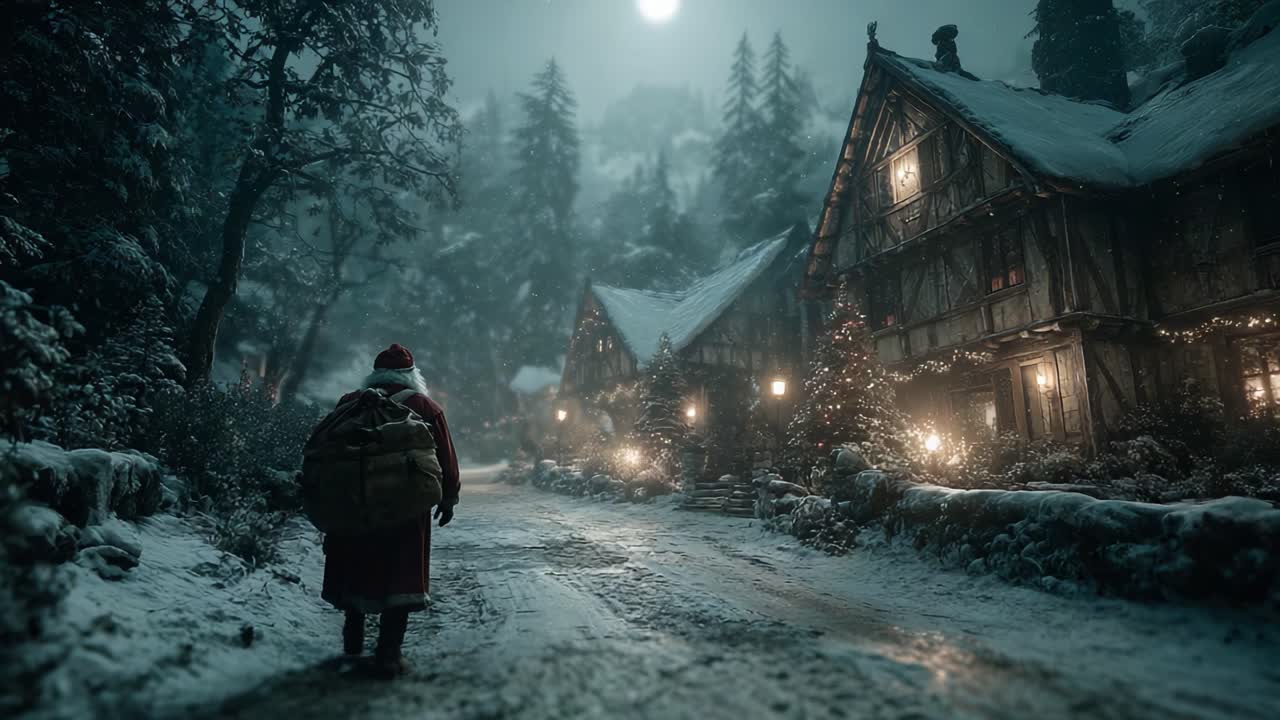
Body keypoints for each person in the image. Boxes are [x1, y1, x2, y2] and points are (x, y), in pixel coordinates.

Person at [320, 343, 460, 677]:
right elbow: (446, 458)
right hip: (406, 509)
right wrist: (448, 498)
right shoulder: (424, 406)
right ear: (412, 376)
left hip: (354, 505)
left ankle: (352, 639)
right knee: (400, 575)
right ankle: (389, 653)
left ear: (375, 374)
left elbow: (326, 449)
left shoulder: (349, 403)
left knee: (355, 565)